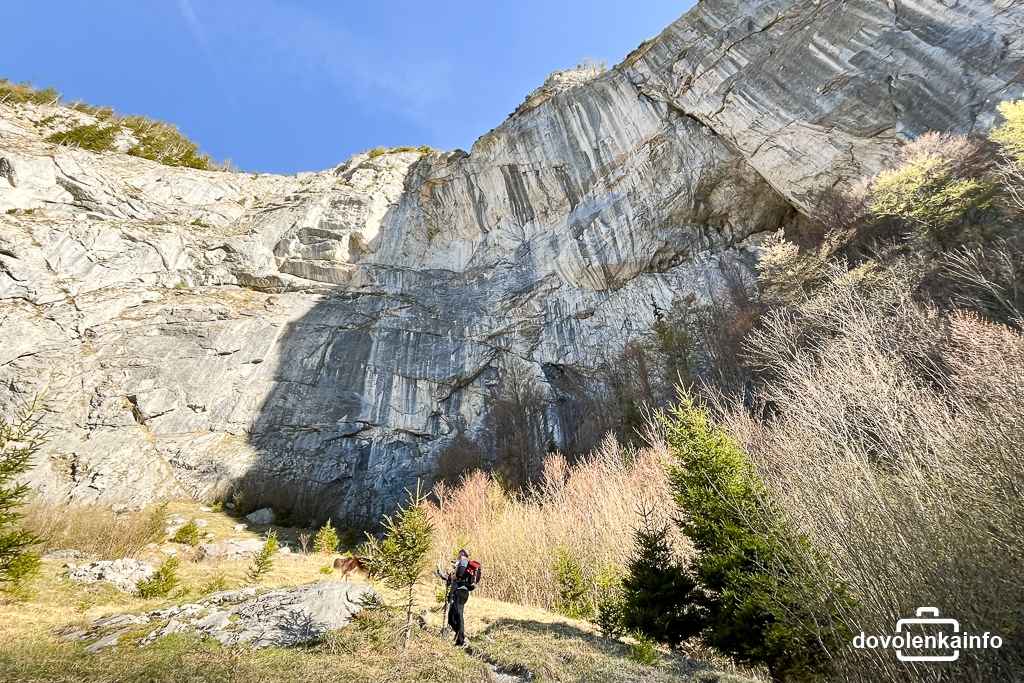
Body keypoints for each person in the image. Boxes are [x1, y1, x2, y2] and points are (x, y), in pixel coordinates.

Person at [437, 549, 476, 646]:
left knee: (459, 615)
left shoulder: (463, 562)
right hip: (460, 592)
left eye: (459, 553)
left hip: (460, 592)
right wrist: (447, 576)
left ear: (462, 554)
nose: (458, 554)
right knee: (451, 617)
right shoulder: (463, 564)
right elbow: (455, 578)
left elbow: (458, 576)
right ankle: (459, 636)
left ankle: (461, 639)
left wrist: (449, 575)